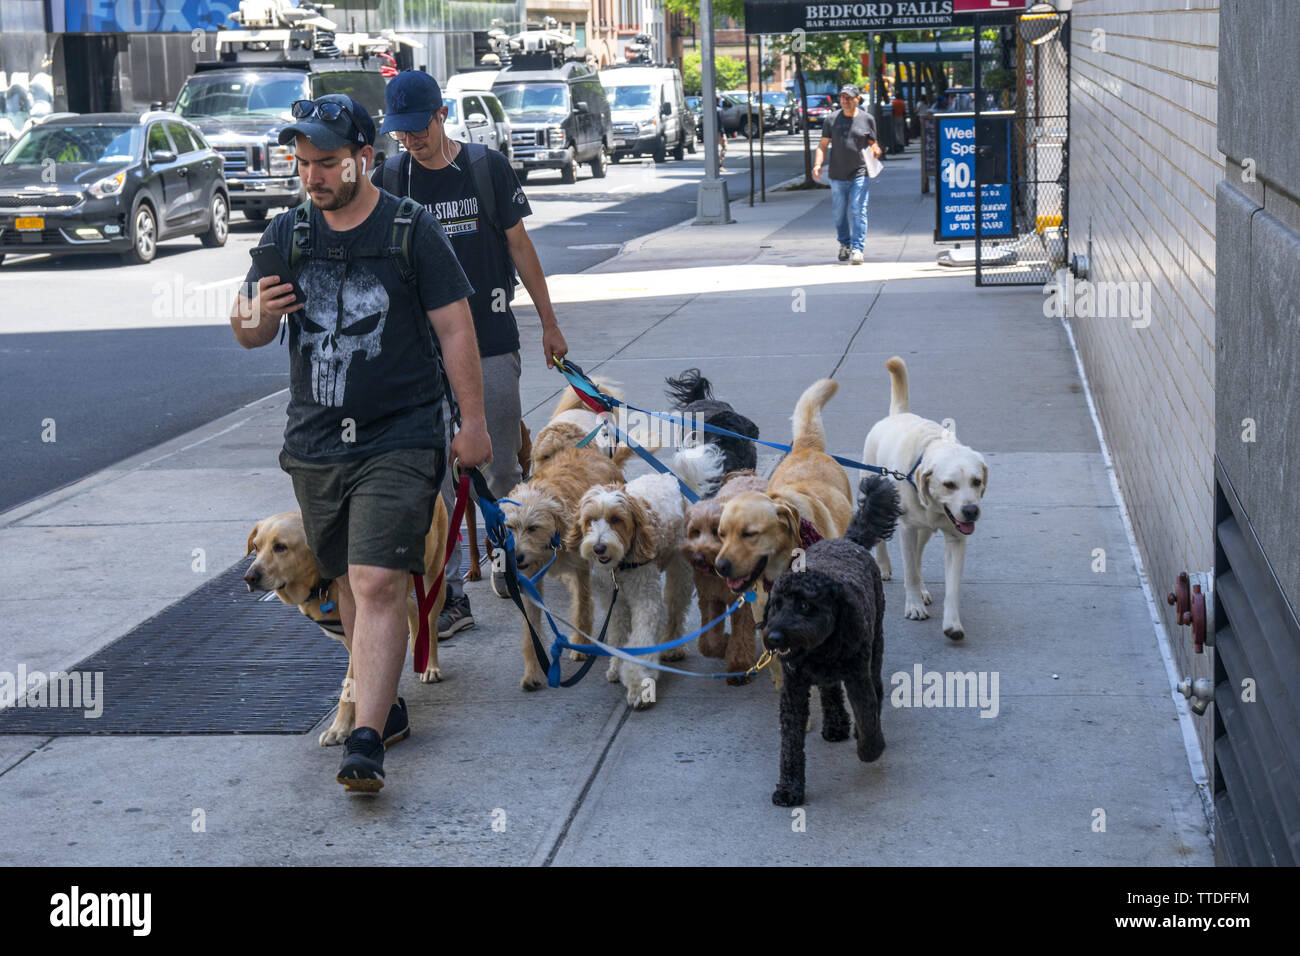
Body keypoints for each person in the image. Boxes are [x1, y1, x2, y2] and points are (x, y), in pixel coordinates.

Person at [229, 94, 492, 792]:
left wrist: (473, 421)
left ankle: (367, 739)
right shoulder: (286, 235)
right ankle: (387, 704)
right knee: (347, 580)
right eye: (303, 164)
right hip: (315, 442)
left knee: (378, 580)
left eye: (327, 163)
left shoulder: (410, 230)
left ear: (364, 159)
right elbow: (249, 328)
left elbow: (456, 328)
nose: (312, 177)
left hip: (400, 435)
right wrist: (253, 318)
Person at [373, 70, 569, 636]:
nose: (410, 139)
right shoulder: (389, 177)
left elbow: (520, 246)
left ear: (441, 115)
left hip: (490, 340)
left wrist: (550, 324)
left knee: (499, 464)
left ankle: (514, 561)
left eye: (418, 128)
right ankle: (452, 594)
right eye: (400, 131)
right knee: (431, 477)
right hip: (420, 355)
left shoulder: (484, 168)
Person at [812, 83, 882, 266]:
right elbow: (823, 145)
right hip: (837, 174)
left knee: (859, 209)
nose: (845, 100)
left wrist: (876, 149)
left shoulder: (867, 119)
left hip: (860, 171)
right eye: (842, 97)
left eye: (849, 97)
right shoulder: (831, 120)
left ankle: (858, 248)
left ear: (857, 99)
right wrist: (818, 164)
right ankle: (844, 244)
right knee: (839, 213)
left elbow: (872, 141)